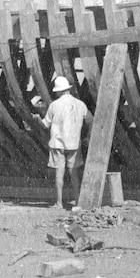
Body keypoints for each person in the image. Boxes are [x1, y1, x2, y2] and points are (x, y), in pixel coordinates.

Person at [35, 76, 93, 209]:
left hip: (57, 144)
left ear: (59, 91)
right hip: (73, 144)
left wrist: (37, 118)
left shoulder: (54, 105)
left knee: (59, 173)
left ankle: (59, 203)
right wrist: (87, 137)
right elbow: (90, 120)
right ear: (68, 89)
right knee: (74, 173)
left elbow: (45, 125)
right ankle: (78, 202)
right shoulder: (80, 104)